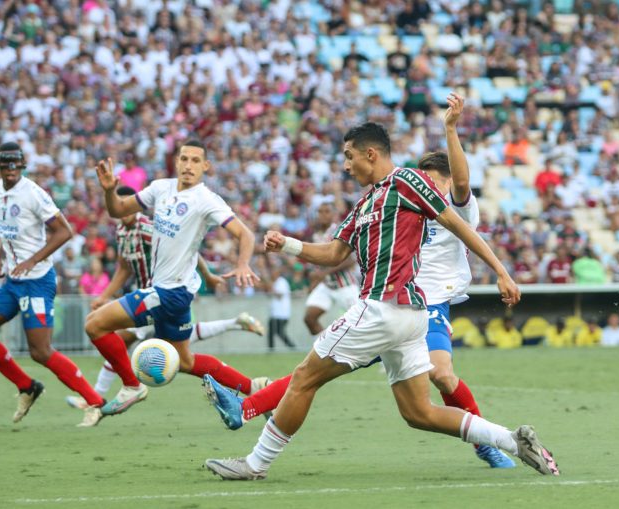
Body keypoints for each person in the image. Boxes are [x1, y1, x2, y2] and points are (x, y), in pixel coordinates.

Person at [202, 122, 559, 480]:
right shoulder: (365, 204)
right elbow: (332, 253)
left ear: (370, 154)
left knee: (304, 378)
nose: (345, 165)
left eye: (348, 156)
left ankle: (254, 464)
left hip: (383, 308)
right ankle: (514, 441)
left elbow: (457, 223)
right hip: (407, 318)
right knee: (420, 413)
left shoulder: (406, 181)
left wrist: (501, 270)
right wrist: (289, 245)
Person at [83, 139, 260, 427]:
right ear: (176, 162)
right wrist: (109, 191)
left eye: (195, 161)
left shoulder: (207, 200)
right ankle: (254, 389)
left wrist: (242, 264)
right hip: (174, 293)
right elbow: (117, 210)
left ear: (205, 166)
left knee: (94, 324)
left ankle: (132, 385)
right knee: (185, 362)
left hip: (169, 292)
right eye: (184, 159)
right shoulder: (160, 188)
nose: (188, 166)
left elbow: (246, 235)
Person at [0, 142, 106, 424]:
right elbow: (8, 232)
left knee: (40, 351)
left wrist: (31, 260)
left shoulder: (33, 193)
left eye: (15, 165)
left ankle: (95, 402)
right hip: (13, 281)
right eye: (5, 165)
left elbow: (64, 232)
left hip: (38, 282)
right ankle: (28, 387)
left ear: (22, 166)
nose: (10, 170)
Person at [303, 203, 359, 335]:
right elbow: (319, 261)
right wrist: (315, 279)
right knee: (309, 319)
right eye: (320, 211)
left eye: (326, 211)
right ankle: (326, 350)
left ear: (334, 215)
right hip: (327, 286)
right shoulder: (317, 235)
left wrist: (324, 273)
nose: (322, 215)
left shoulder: (339, 231)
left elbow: (350, 259)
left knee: (359, 324)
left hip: (345, 285)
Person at [267, 265, 296, 351]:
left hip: (281, 313)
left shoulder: (281, 282)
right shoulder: (275, 282)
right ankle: (271, 349)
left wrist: (270, 288)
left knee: (278, 332)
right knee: (273, 332)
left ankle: (291, 347)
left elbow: (279, 295)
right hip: (275, 313)